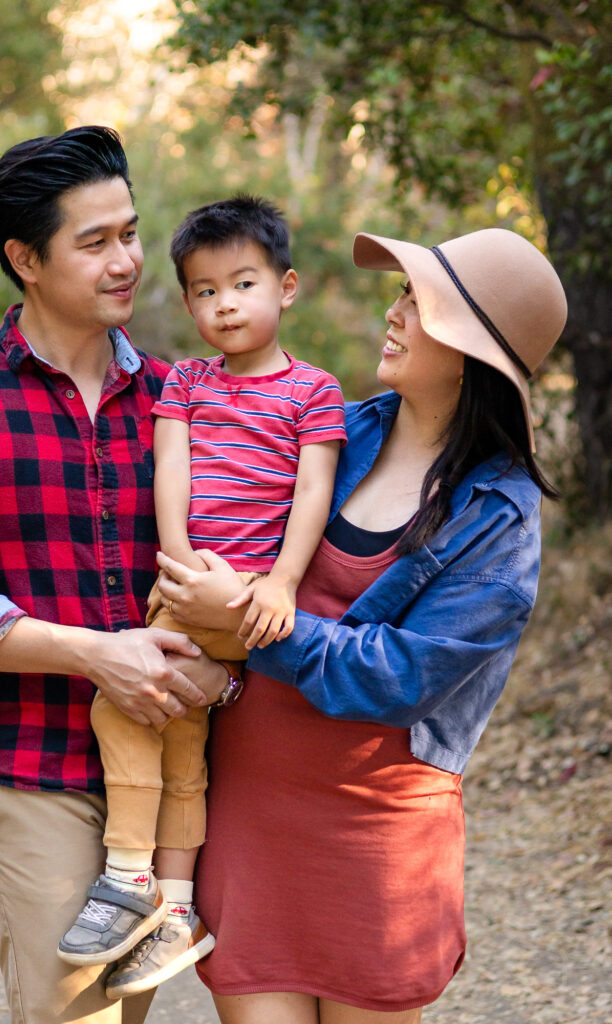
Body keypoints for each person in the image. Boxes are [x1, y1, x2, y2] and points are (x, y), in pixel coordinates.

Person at [154, 227, 567, 1023]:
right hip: (253, 808)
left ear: (471, 350)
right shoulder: (341, 430)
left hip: (378, 838)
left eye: (421, 303)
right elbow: (217, 507)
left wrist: (244, 629)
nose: (395, 312)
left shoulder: (499, 519)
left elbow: (401, 676)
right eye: (404, 294)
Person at [0, 125, 230, 1024]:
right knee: (76, 1019)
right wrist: (95, 655)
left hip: (186, 764)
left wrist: (222, 667)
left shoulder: (181, 400)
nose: (129, 261)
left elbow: (247, 551)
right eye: (96, 242)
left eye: (132, 233)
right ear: (25, 258)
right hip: (35, 764)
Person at [59, 195, 347, 998]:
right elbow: (171, 474)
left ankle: (127, 875)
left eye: (242, 284)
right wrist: (180, 565)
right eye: (205, 290)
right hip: (184, 588)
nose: (224, 304)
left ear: (285, 288)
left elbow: (313, 492)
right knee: (177, 742)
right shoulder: (185, 381)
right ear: (187, 301)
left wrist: (280, 582)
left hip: (255, 599)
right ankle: (178, 906)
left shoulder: (315, 392)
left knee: (124, 707)